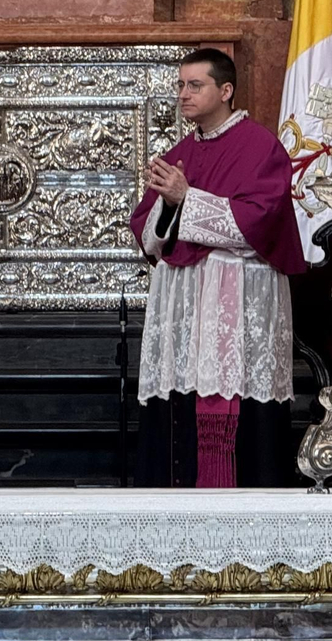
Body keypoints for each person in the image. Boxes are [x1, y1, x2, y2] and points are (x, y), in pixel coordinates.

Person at [129, 48, 307, 487]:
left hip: (237, 301)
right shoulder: (181, 151)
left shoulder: (259, 146)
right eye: (180, 85)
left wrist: (186, 198)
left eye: (195, 85)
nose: (183, 95)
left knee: (246, 420)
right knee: (181, 410)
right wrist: (173, 202)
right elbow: (148, 230)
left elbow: (259, 222)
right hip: (188, 305)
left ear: (225, 90)